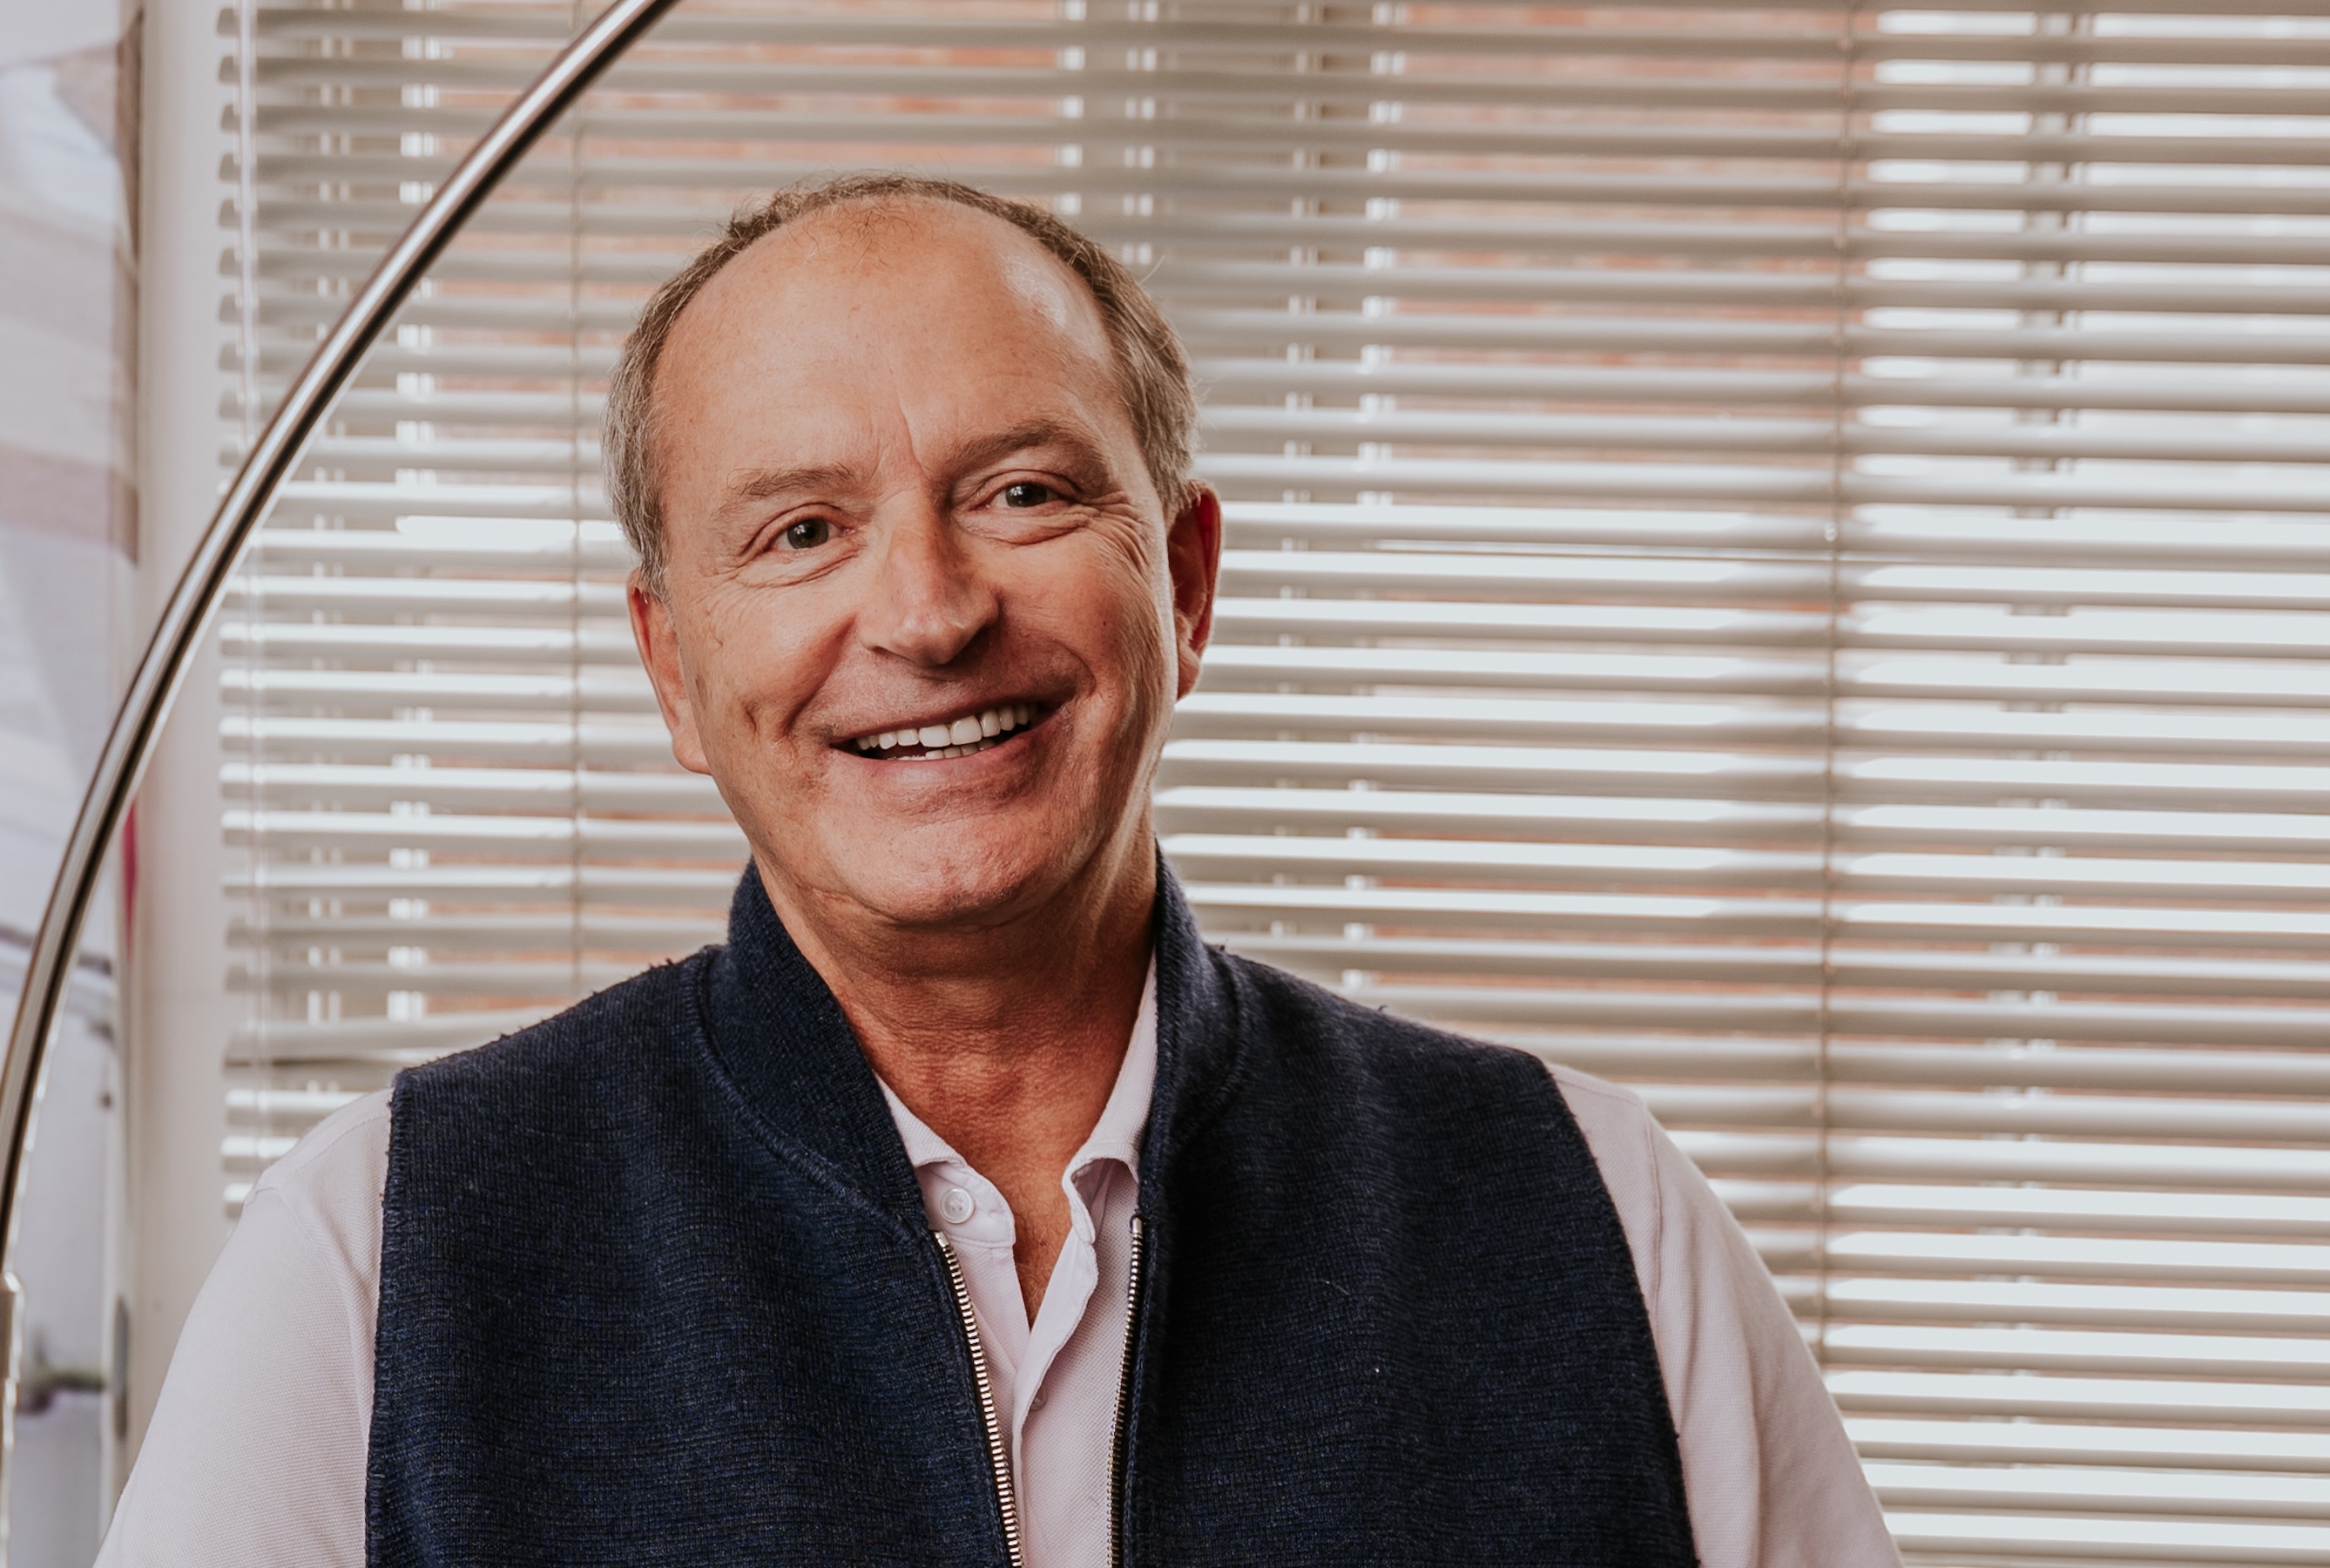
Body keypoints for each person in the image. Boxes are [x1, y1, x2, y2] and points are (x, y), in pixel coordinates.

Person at [98, 174, 1899, 1568]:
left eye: (1025, 493)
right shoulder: (384, 1249)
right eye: (801, 531)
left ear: (1182, 586)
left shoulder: (1595, 1214)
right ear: (670, 666)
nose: (930, 611)